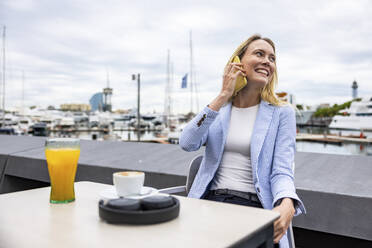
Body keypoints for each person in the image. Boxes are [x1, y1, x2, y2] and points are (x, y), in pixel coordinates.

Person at [179, 34, 306, 248]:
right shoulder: (218, 110)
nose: (267, 61)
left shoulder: (282, 113)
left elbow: (282, 170)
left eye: (272, 58)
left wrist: (287, 202)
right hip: (211, 203)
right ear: (238, 63)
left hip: (254, 207)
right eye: (259, 54)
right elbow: (187, 142)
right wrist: (223, 95)